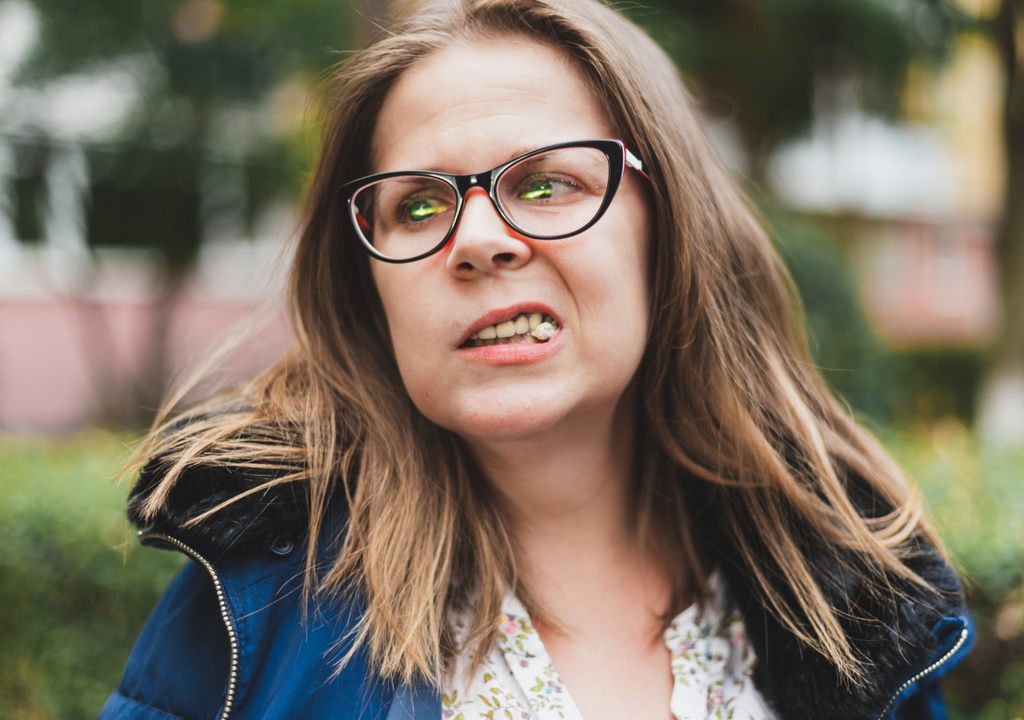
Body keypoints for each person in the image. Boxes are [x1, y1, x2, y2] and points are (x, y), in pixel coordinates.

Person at [99, 0, 973, 718]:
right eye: (415, 206)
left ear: (670, 232)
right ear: (372, 288)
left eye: (547, 183)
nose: (477, 239)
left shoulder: (852, 612)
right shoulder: (257, 608)